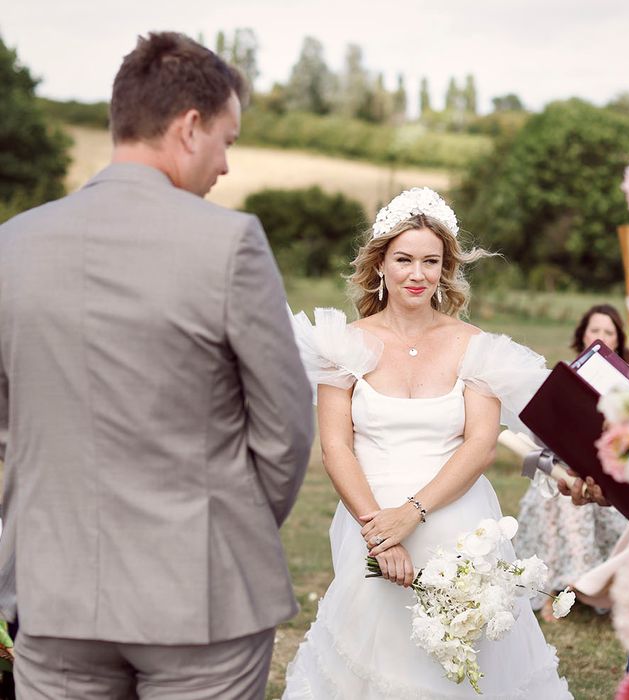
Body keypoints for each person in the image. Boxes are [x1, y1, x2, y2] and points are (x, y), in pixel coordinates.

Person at [0, 32, 313, 698]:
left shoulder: (12, 245)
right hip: (201, 600)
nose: (226, 165)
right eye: (228, 140)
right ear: (190, 127)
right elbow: (285, 429)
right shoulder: (229, 242)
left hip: (52, 594)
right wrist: (227, 526)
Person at [283, 188, 572, 699]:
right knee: (375, 662)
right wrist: (380, 533)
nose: (417, 274)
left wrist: (411, 515)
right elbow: (336, 448)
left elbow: (481, 445)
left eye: (430, 262)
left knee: (463, 666)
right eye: (404, 260)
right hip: (369, 519)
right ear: (380, 264)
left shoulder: (475, 346)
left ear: (445, 269)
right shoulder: (343, 344)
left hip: (458, 522)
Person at [513, 304, 629, 614]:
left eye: (609, 332)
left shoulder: (628, 387)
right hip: (560, 470)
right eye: (595, 329)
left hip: (607, 477)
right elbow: (540, 434)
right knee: (561, 498)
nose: (601, 336)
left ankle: (596, 585)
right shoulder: (561, 375)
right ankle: (556, 589)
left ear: (618, 341)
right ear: (582, 335)